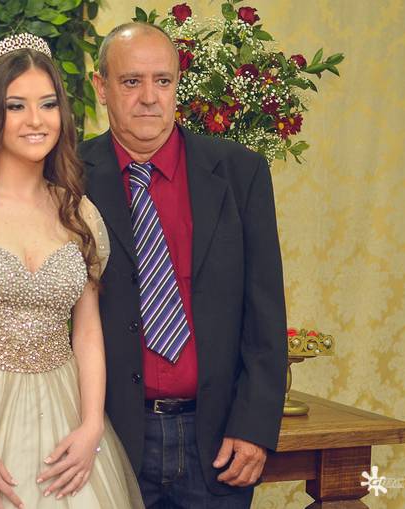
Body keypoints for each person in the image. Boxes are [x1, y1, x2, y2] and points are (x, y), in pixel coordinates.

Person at [0, 34, 142, 509]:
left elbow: (88, 332)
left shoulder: (79, 212)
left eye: (48, 104)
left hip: (64, 407)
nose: (36, 120)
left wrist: (91, 427)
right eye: (17, 106)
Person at [80, 23, 288, 508]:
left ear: (178, 83)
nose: (149, 98)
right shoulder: (68, 176)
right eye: (131, 82)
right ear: (101, 87)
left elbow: (265, 311)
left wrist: (254, 426)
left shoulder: (240, 172)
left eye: (163, 80)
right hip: (108, 438)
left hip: (217, 442)